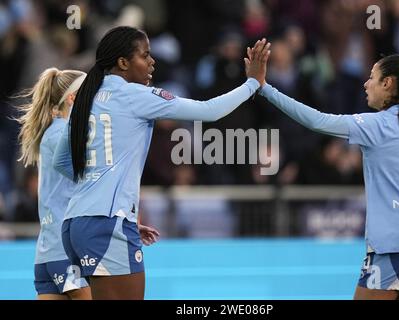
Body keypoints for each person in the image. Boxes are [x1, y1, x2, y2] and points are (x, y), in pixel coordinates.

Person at [53, 26, 270, 300]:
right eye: (145, 55)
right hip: (107, 224)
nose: (152, 62)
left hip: (76, 223)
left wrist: (109, 205)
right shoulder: (136, 96)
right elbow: (209, 111)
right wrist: (252, 83)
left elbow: (62, 162)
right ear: (123, 62)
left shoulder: (86, 99)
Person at [253, 52, 399, 300]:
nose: (366, 84)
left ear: (387, 83)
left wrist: (265, 88)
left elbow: (318, 121)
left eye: (372, 78)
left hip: (397, 243)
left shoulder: (377, 125)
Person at [15, 67, 91, 300]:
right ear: (72, 98)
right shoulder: (63, 134)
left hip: (47, 256)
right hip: (67, 252)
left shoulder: (51, 132)